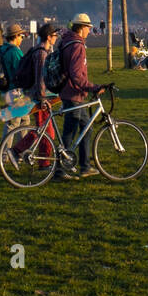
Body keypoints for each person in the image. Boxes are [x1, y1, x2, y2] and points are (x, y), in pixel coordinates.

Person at [58, 13, 103, 179]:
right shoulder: (77, 45)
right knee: (69, 132)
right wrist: (92, 87)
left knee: (86, 127)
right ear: (81, 28)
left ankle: (85, 166)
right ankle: (60, 170)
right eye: (88, 28)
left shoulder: (66, 41)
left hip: (69, 92)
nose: (89, 31)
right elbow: (76, 75)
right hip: (73, 93)